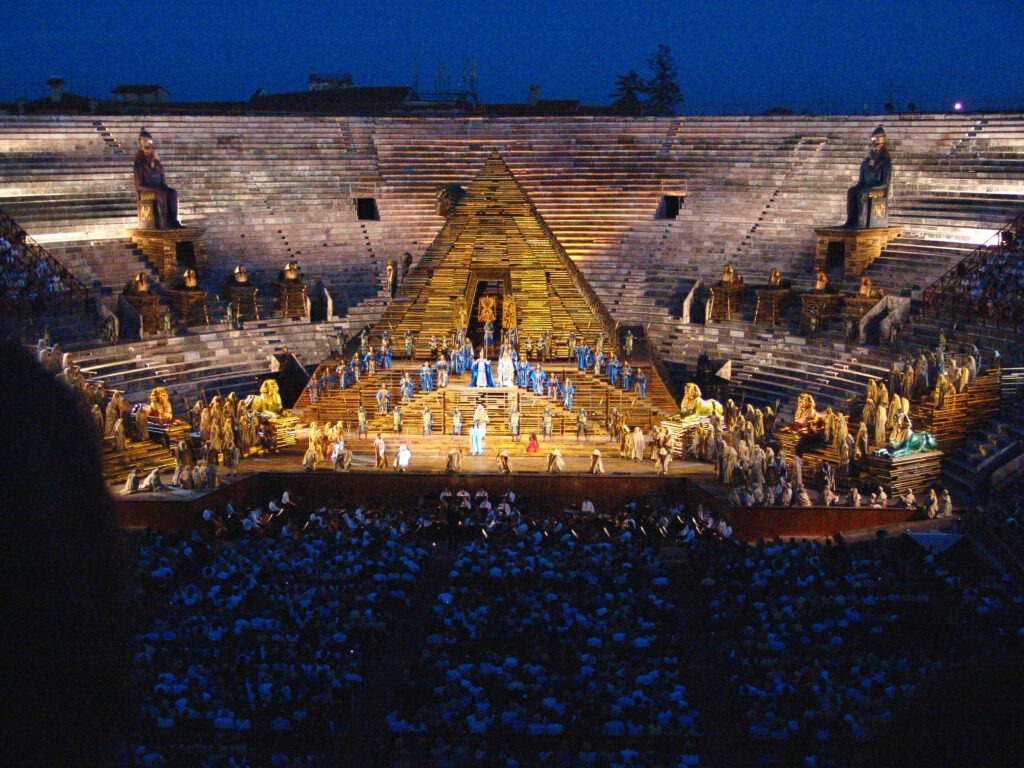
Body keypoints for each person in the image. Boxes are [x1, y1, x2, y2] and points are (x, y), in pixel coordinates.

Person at [843, 125, 892, 228]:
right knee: (852, 191)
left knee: (862, 193)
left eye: (876, 150)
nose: (873, 151)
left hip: (880, 189)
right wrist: (858, 187)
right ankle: (850, 221)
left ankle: (861, 222)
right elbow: (861, 181)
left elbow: (884, 183)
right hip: (866, 187)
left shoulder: (886, 164)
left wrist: (865, 187)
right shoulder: (865, 164)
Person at [133, 128, 182, 229]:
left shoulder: (159, 166)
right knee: (161, 194)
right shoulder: (139, 166)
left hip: (158, 190)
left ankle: (173, 221)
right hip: (145, 194)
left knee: (172, 193)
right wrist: (156, 189)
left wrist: (165, 188)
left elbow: (163, 183)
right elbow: (139, 186)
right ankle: (163, 223)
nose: (149, 153)